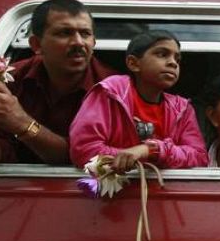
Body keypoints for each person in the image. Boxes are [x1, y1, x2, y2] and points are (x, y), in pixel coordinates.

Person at [0, 0, 116, 165]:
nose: (78, 42)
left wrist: (22, 123)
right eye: (64, 33)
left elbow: (92, 159)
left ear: (93, 42)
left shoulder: (114, 89)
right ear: (36, 44)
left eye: (85, 34)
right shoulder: (9, 79)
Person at [69, 30, 207, 171]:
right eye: (162, 54)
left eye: (177, 59)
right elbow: (84, 150)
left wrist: (150, 150)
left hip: (163, 190)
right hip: (111, 191)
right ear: (133, 63)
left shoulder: (182, 108)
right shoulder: (109, 93)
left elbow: (199, 157)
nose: (173, 63)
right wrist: (132, 156)